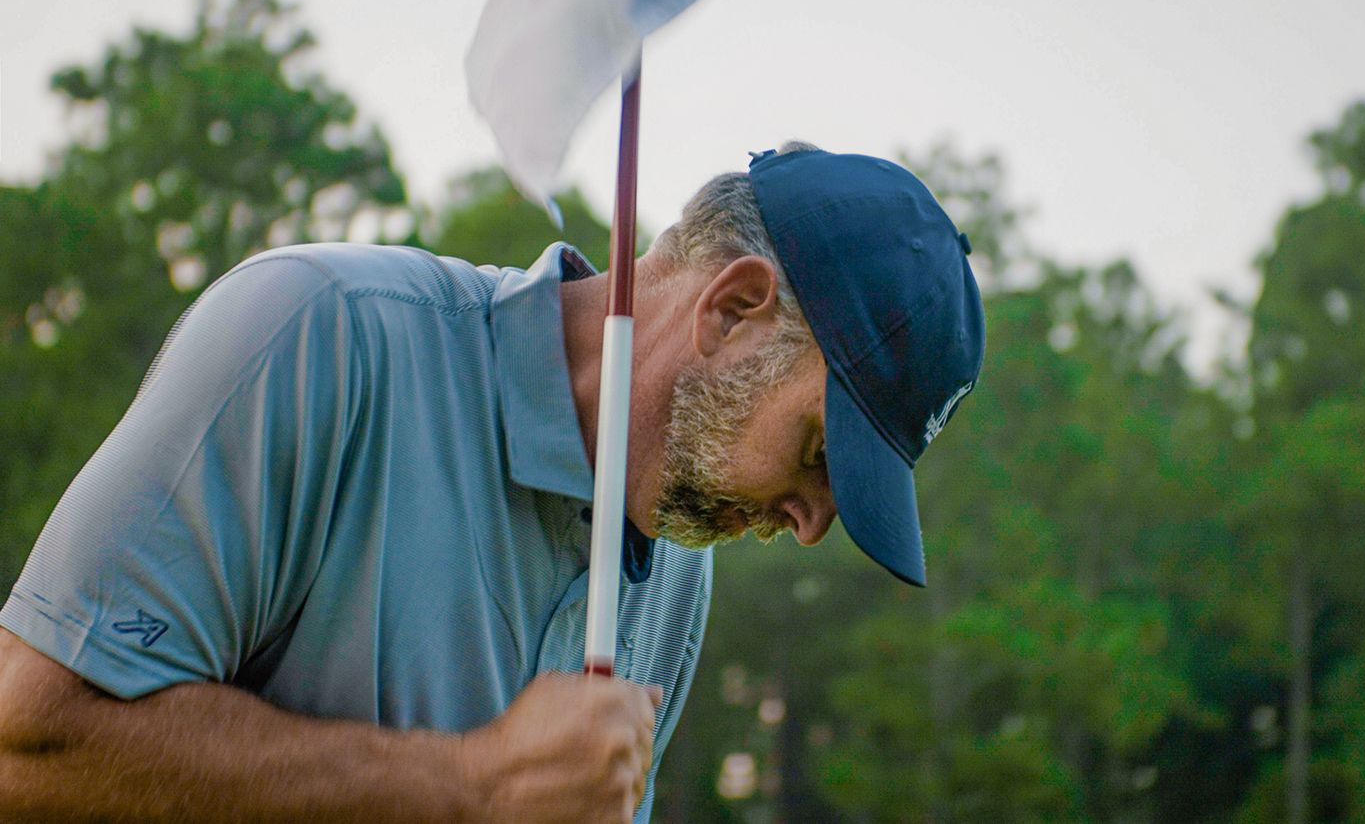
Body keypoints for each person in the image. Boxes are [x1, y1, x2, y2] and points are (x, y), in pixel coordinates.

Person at [0, 142, 984, 822]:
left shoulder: (681, 567)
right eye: (818, 452)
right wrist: (470, 786)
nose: (813, 522)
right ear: (730, 311)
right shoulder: (317, 330)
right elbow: (26, 747)